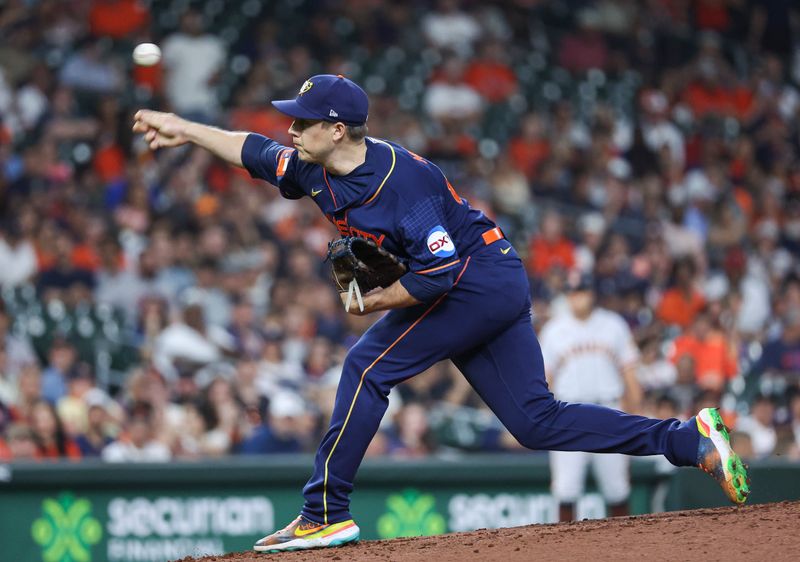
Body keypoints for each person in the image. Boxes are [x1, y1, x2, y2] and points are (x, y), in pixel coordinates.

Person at [132, 74, 749, 554]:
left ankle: (324, 514)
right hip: (488, 279)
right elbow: (252, 150)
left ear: (339, 129)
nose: (291, 130)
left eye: (304, 123)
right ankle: (687, 439)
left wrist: (374, 300)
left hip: (475, 281)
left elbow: (439, 274)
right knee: (536, 423)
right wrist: (183, 128)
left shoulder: (405, 185)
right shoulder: (315, 169)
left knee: (367, 366)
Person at [539, 272, 642, 521]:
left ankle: (624, 548)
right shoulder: (554, 330)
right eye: (572, 293)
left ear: (592, 293)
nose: (577, 298)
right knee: (566, 489)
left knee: (617, 488)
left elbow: (630, 374)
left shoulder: (613, 324)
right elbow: (545, 381)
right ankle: (567, 552)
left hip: (609, 409)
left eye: (581, 291)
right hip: (568, 414)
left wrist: (636, 410)